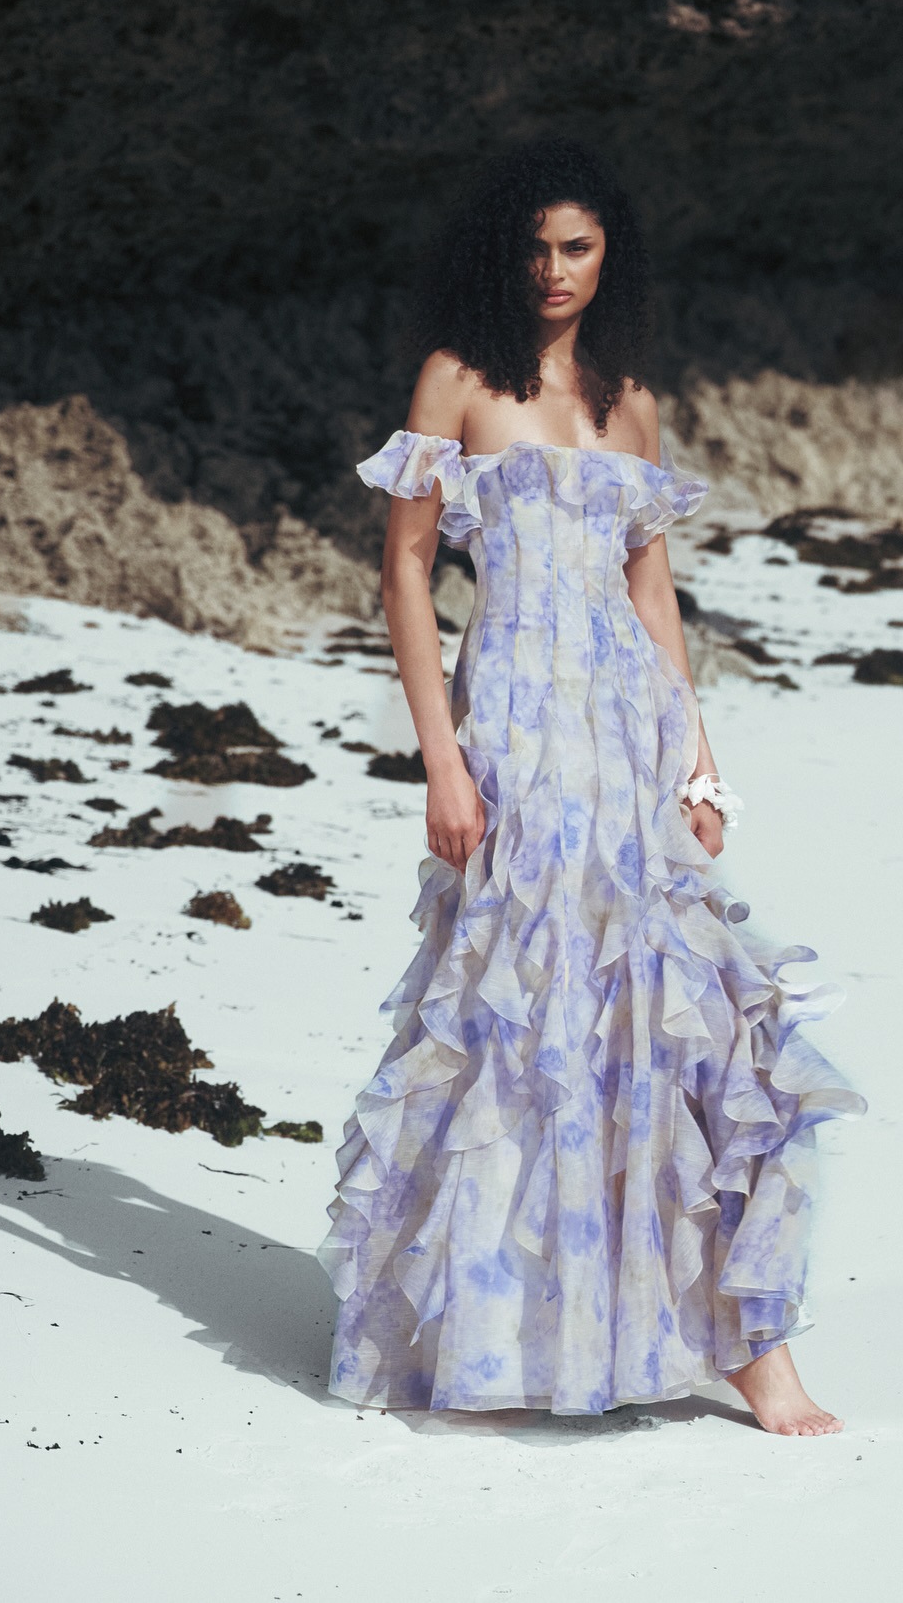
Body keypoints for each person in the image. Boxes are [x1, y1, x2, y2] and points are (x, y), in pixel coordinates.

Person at [318, 137, 864, 1434]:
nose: (555, 270)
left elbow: (651, 593)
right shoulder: (457, 381)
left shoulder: (632, 402)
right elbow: (406, 574)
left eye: (578, 248)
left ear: (610, 255)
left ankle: (749, 1343)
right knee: (523, 1015)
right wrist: (441, 760)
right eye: (536, 248)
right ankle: (507, 1329)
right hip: (513, 728)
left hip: (625, 730)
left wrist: (701, 760)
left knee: (681, 1011)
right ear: (505, 254)